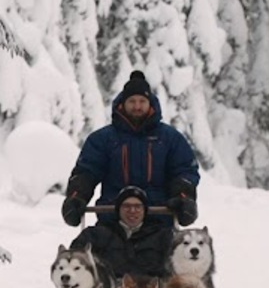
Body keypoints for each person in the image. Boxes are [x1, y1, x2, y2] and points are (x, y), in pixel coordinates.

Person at [59, 70, 201, 230]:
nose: (137, 106)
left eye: (142, 101)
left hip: (159, 221)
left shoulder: (170, 139)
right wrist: (76, 198)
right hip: (112, 222)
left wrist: (183, 198)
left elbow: (184, 171)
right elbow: (86, 173)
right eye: (132, 101)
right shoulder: (103, 139)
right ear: (123, 104)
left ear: (150, 104)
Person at [69, 185, 172, 282]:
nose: (132, 210)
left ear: (144, 210)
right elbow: (73, 257)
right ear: (118, 210)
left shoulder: (162, 236)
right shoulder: (97, 235)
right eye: (126, 206)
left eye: (138, 207)